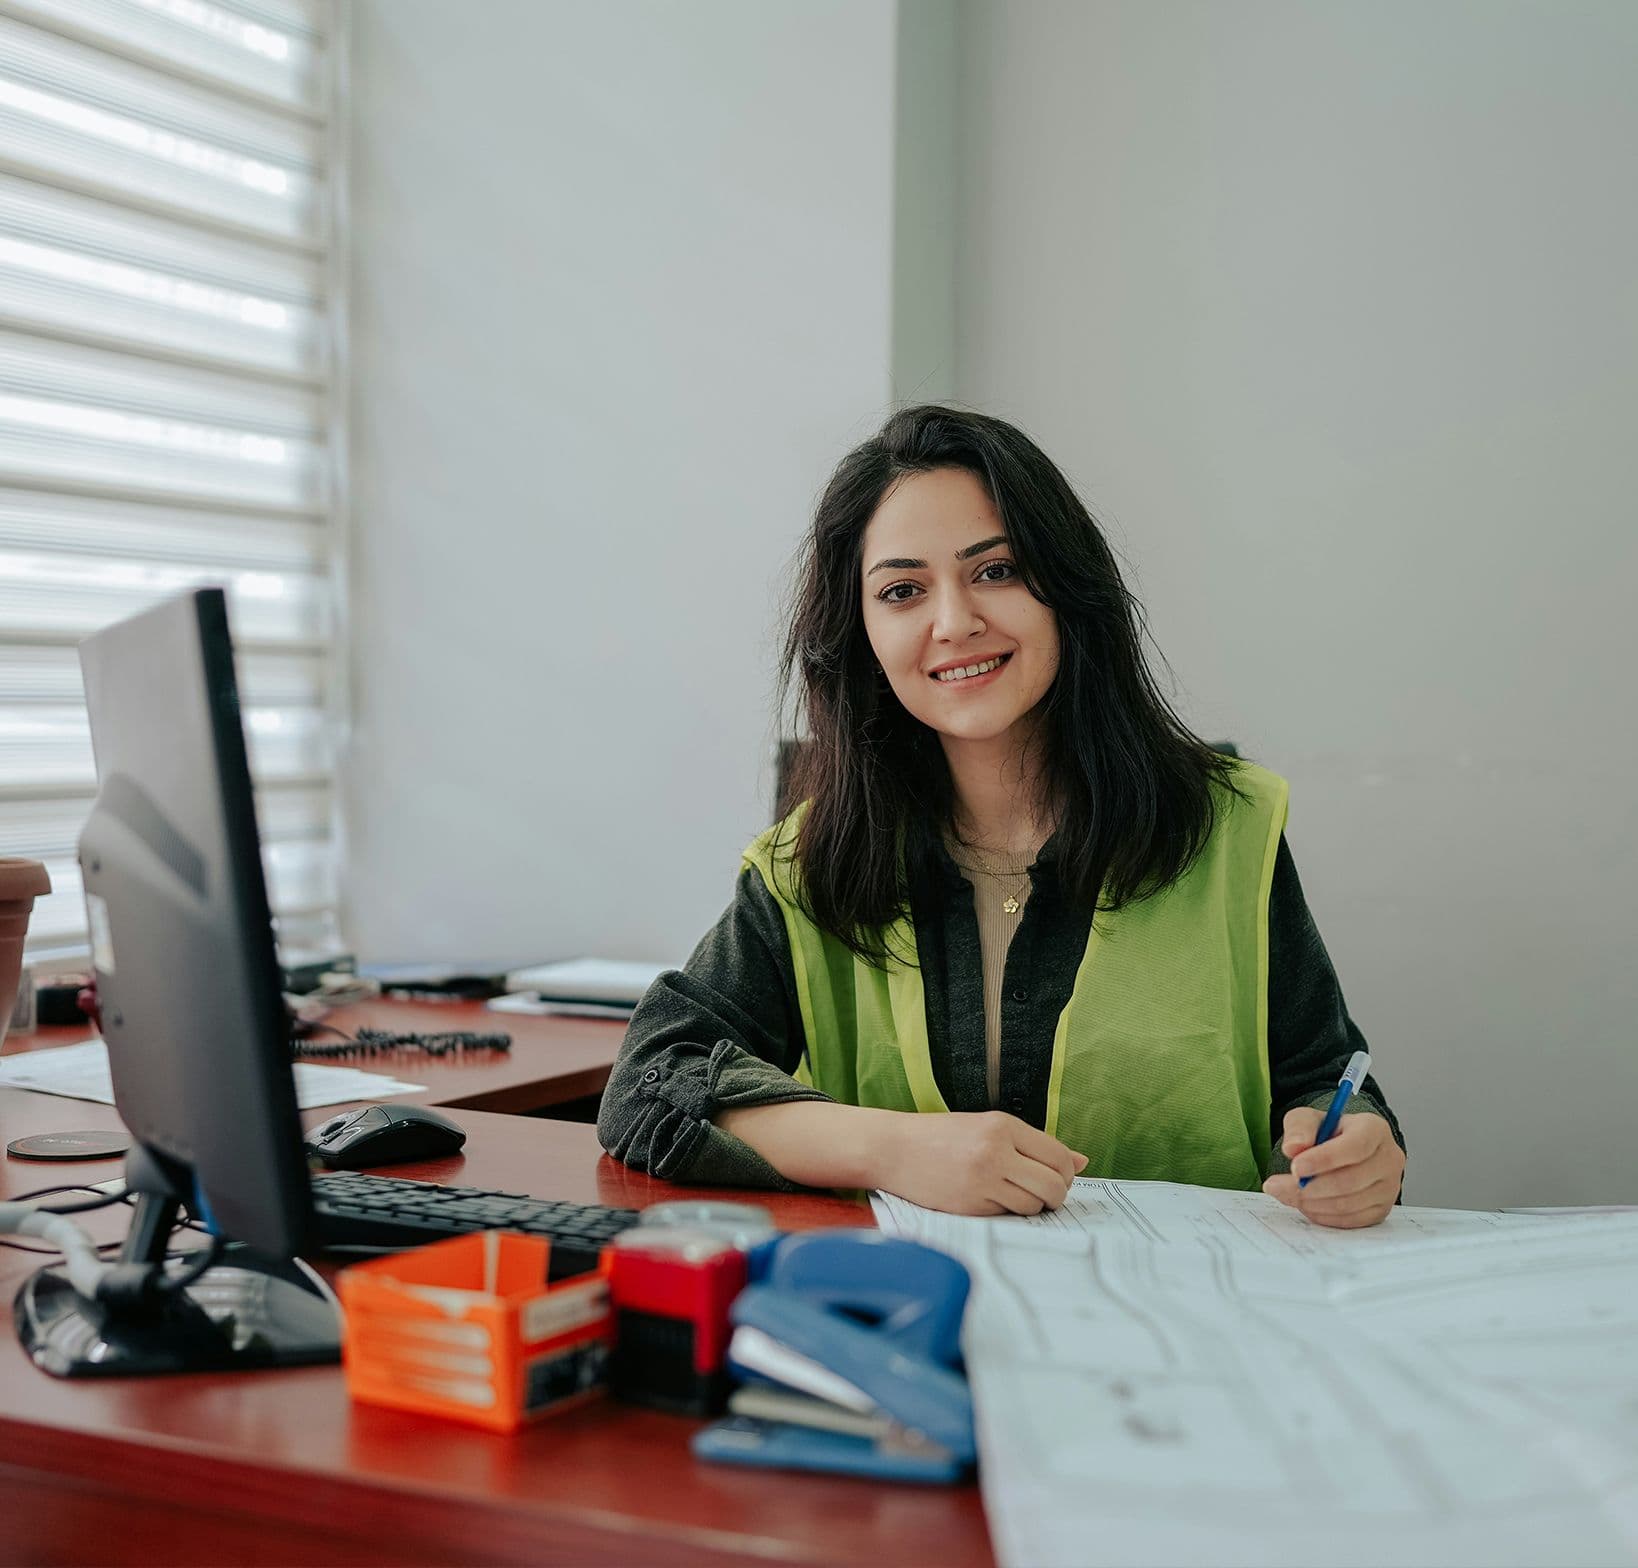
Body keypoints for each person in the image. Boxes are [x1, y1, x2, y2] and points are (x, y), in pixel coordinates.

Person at [599, 406, 1405, 1227]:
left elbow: (1326, 1082)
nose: (954, 623)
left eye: (997, 571)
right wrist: (892, 1148)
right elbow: (650, 1084)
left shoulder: (1228, 829)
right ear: (861, 631)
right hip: (920, 1322)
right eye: (903, 591)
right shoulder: (807, 866)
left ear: (1066, 588)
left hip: (1189, 1330)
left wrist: (1361, 1148)